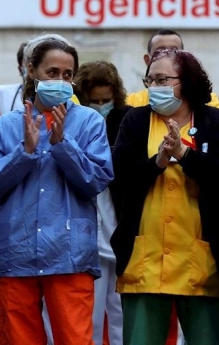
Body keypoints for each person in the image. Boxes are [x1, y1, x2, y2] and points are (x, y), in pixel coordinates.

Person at [0, 34, 113, 345]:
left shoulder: (90, 122)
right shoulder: (6, 126)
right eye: (52, 72)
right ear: (31, 71)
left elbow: (96, 180)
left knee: (75, 339)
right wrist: (24, 151)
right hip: (14, 255)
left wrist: (62, 144)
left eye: (68, 74)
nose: (61, 81)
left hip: (70, 255)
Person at [111, 48, 219, 345]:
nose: (155, 87)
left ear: (187, 80)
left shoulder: (213, 120)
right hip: (144, 261)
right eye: (150, 80)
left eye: (163, 79)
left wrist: (185, 156)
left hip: (201, 261)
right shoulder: (135, 121)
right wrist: (158, 162)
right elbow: (119, 178)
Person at [73, 60, 131, 345]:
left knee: (122, 315)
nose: (99, 105)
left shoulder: (128, 120)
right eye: (93, 101)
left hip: (119, 229)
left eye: (105, 100)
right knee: (89, 317)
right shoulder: (73, 122)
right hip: (86, 234)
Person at [126, 30, 219, 109]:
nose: (167, 56)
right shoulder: (131, 102)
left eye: (174, 51)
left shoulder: (208, 101)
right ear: (147, 60)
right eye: (159, 52)